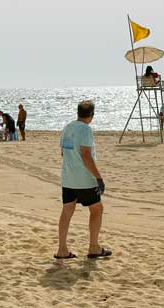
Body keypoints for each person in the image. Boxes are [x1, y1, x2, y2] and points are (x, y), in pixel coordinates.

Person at [56, 100, 112, 259]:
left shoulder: (67, 128)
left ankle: (62, 249)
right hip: (84, 180)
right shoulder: (86, 129)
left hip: (68, 179)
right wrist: (99, 177)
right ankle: (94, 247)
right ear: (92, 115)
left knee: (67, 212)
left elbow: (63, 153)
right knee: (97, 209)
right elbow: (86, 155)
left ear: (78, 113)